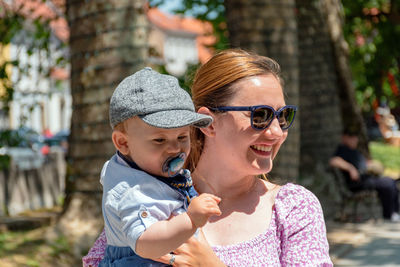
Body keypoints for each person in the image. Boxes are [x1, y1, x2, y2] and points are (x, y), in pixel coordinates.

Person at [83, 49, 333, 266]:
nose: (277, 132)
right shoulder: (146, 196)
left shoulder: (292, 209)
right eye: (260, 116)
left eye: (283, 116)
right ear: (209, 123)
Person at [98, 67, 222, 266]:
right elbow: (146, 245)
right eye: (159, 140)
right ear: (123, 143)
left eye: (182, 137)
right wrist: (190, 219)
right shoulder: (133, 189)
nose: (174, 148)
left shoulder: (142, 168)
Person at [329, 129, 400, 222]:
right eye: (351, 137)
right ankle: (389, 215)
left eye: (355, 137)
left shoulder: (354, 151)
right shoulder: (342, 149)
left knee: (391, 182)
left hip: (368, 179)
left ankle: (395, 212)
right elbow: (333, 161)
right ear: (344, 138)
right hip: (358, 183)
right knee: (387, 184)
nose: (354, 139)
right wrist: (351, 168)